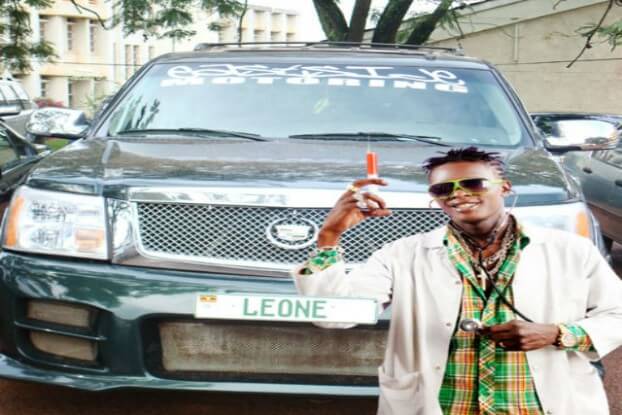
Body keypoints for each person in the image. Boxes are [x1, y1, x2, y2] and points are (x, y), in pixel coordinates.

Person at [292, 147, 622, 415]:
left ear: (504, 187)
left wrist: (557, 333)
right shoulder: (401, 254)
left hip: (538, 406)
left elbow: (617, 315)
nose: (458, 194)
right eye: (443, 189)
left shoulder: (569, 250)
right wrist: (329, 237)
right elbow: (334, 315)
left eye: (474, 184)